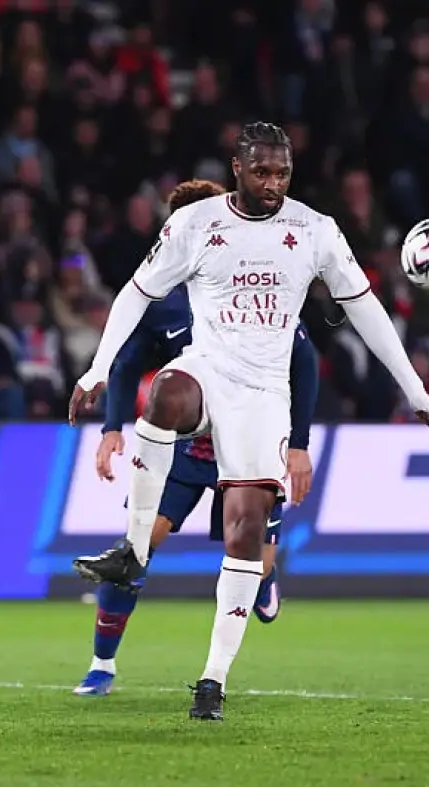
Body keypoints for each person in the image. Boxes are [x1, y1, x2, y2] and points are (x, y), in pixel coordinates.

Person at [67, 122, 429, 721]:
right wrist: (96, 370)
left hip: (264, 399)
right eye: (262, 172)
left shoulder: (315, 231)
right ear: (237, 168)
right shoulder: (195, 224)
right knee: (165, 393)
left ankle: (212, 679)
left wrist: (418, 394)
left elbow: (367, 311)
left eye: (283, 174)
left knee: (245, 534)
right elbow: (135, 294)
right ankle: (132, 553)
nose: (273, 184)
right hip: (208, 370)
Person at [72, 179, 320, 698]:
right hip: (187, 454)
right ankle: (102, 665)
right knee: (135, 551)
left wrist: (298, 442)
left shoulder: (256, 286)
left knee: (253, 565)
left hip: (249, 442)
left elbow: (306, 360)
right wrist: (112, 429)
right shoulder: (161, 301)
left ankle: (262, 580)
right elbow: (125, 364)